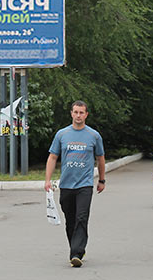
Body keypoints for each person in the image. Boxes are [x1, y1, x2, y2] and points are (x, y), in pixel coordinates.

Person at [45, 101, 106, 268]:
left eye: (81, 113)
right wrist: (47, 180)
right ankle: (76, 247)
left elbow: (100, 159)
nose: (78, 115)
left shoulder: (93, 136)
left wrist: (101, 180)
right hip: (66, 185)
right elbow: (52, 157)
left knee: (81, 217)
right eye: (76, 112)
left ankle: (76, 253)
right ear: (71, 113)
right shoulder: (62, 134)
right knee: (70, 220)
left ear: (86, 115)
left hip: (84, 185)